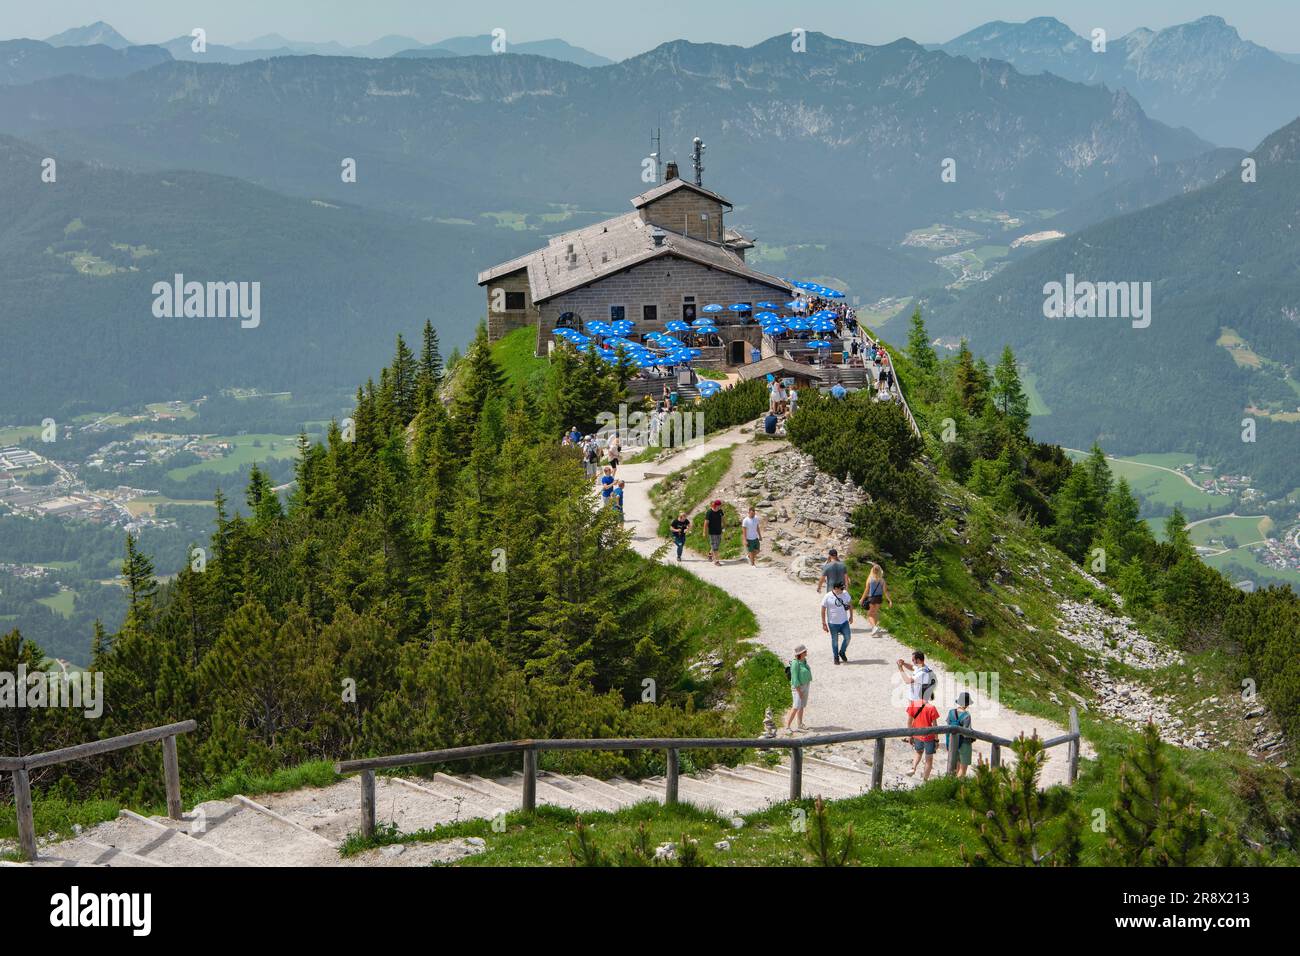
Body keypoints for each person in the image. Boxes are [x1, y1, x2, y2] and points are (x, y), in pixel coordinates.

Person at [905, 694, 941, 781]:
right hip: (929, 737)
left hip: (917, 735)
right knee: (929, 759)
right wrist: (936, 740)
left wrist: (910, 735)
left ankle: (913, 768)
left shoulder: (913, 704)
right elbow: (935, 726)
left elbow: (909, 722)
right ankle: (925, 780)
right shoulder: (931, 708)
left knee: (918, 752)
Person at [820, 581, 854, 664]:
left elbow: (850, 604)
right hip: (833, 623)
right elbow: (823, 610)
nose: (842, 590)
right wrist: (824, 623)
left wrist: (851, 616)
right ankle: (836, 657)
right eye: (841, 588)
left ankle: (842, 652)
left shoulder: (845, 594)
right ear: (835, 588)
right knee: (835, 641)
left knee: (848, 637)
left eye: (843, 588)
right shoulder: (828, 596)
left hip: (844, 622)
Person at [945, 691, 975, 778]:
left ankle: (952, 783)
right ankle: (957, 785)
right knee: (963, 768)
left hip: (953, 743)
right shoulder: (966, 716)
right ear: (967, 704)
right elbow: (966, 732)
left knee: (956, 766)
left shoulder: (951, 712)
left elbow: (948, 726)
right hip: (964, 743)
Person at [785, 645, 811, 733]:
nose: (806, 652)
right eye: (805, 651)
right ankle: (787, 727)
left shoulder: (803, 660)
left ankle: (800, 724)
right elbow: (795, 679)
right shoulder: (795, 663)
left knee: (802, 705)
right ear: (800, 653)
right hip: (798, 688)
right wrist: (799, 691)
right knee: (796, 706)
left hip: (805, 685)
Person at [860, 563, 892, 634]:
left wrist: (862, 599)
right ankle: (875, 628)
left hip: (872, 598)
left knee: (869, 614)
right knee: (875, 613)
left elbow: (866, 590)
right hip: (879, 599)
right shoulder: (882, 580)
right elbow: (885, 591)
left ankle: (874, 627)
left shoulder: (870, 579)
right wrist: (890, 601)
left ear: (872, 570)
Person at [704, 499, 724, 565]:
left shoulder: (720, 511)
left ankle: (710, 554)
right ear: (716, 505)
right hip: (712, 532)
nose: (720, 506)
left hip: (719, 531)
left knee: (717, 545)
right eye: (719, 505)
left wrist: (724, 526)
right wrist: (704, 532)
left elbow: (722, 518)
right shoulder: (709, 512)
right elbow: (706, 523)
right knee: (715, 546)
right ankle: (716, 561)